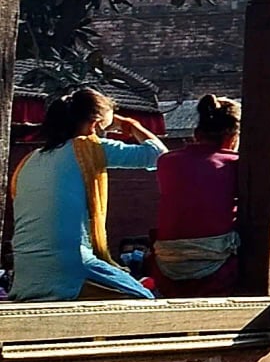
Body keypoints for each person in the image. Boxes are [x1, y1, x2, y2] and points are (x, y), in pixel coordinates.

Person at [9, 88, 162, 302]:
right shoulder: (88, 147)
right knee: (144, 299)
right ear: (95, 125)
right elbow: (159, 156)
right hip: (70, 266)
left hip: (26, 274)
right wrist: (132, 126)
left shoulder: (29, 161)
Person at [150, 96, 241, 294]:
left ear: (197, 133)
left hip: (166, 263)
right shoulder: (235, 164)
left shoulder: (166, 161)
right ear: (233, 137)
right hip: (217, 268)